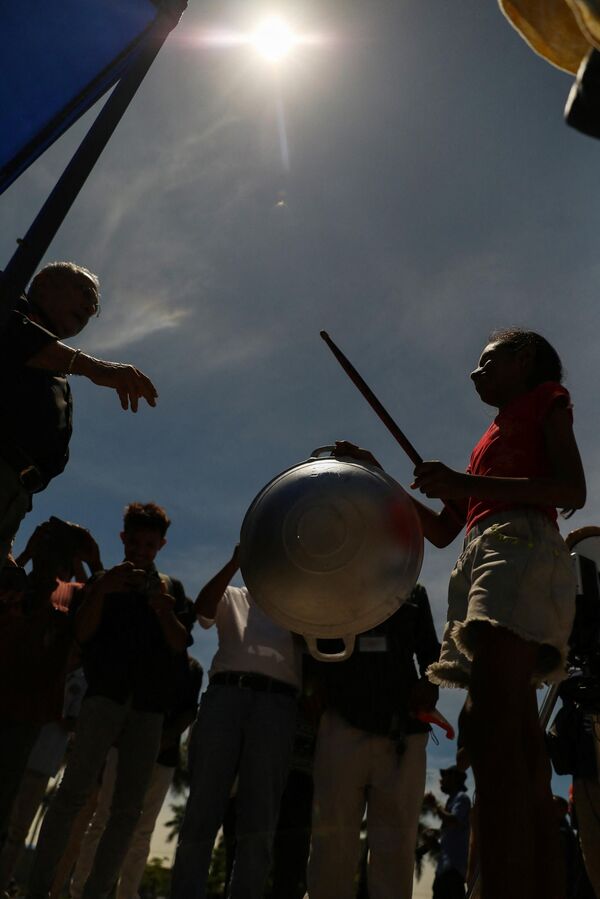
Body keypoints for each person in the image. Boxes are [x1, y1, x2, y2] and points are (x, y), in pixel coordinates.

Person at [407, 328, 586, 899]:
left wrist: (462, 482)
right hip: (485, 554)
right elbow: (440, 531)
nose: (473, 373)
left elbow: (570, 488)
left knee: (491, 728)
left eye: (486, 361)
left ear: (524, 359)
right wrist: (378, 481)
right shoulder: (485, 441)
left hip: (518, 548)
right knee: (517, 737)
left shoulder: (545, 398)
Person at [27, 502, 191, 899]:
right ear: (123, 539)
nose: (140, 551)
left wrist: (165, 611)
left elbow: (180, 647)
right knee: (72, 794)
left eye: (149, 545)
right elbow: (82, 636)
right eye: (134, 542)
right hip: (103, 698)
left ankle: (97, 892)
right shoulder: (102, 581)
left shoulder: (170, 588)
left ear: (161, 545)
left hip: (148, 708)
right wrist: (102, 588)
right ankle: (40, 888)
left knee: (127, 811)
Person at [0, 261, 157, 566]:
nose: (90, 306)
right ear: (43, 283)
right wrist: (94, 367)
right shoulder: (8, 300)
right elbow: (12, 334)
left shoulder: (56, 370)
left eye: (95, 305)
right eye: (84, 293)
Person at [170, 543, 302, 899]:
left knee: (259, 817)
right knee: (203, 806)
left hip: (278, 702)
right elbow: (202, 610)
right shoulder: (233, 595)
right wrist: (234, 563)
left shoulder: (302, 609)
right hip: (226, 696)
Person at [305, 584, 440, 899]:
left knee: (396, 846)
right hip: (341, 722)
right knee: (331, 842)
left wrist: (429, 684)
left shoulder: (414, 592)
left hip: (401, 732)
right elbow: (310, 637)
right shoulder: (336, 583)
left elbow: (432, 654)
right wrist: (311, 682)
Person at [0, 518, 99, 844]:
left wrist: (91, 561)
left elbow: (102, 602)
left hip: (27, 712)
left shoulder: (69, 600)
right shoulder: (18, 587)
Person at [69, 656, 203, 899]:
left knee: (142, 831)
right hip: (125, 747)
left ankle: (127, 893)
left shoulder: (192, 669)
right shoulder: (148, 653)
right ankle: (80, 890)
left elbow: (189, 711)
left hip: (163, 758)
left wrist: (163, 740)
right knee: (103, 819)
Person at [424, 766, 471, 899]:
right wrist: (432, 839)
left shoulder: (462, 799)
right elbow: (448, 837)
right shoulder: (451, 802)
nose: (441, 781)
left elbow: (454, 820)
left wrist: (434, 805)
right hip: (443, 873)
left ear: (453, 779)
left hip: (453, 873)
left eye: (444, 776)